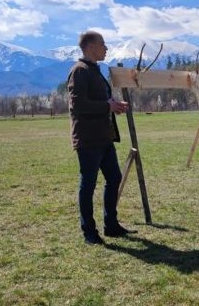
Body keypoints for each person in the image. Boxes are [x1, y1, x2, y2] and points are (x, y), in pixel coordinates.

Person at [67, 31, 135, 244]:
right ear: (90, 47)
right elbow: (77, 105)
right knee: (88, 184)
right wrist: (107, 105)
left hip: (104, 137)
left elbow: (99, 100)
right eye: (102, 44)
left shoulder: (95, 71)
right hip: (88, 140)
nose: (106, 48)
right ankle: (89, 232)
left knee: (114, 178)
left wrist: (113, 105)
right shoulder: (80, 71)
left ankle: (111, 225)